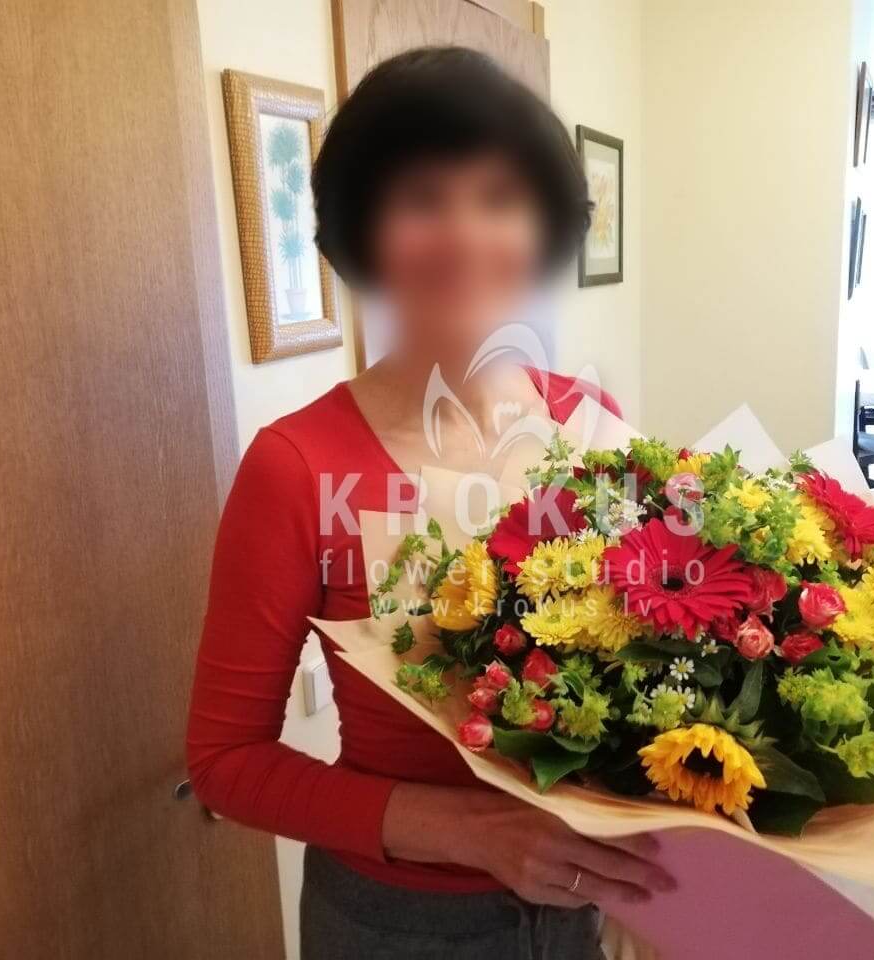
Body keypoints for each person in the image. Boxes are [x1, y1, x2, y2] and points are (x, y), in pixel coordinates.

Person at [185, 47, 674, 959]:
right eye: (421, 199)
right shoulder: (297, 466)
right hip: (398, 924)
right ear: (363, 228)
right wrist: (473, 833)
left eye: (499, 196)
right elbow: (225, 764)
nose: (464, 235)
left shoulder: (590, 421)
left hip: (578, 905)